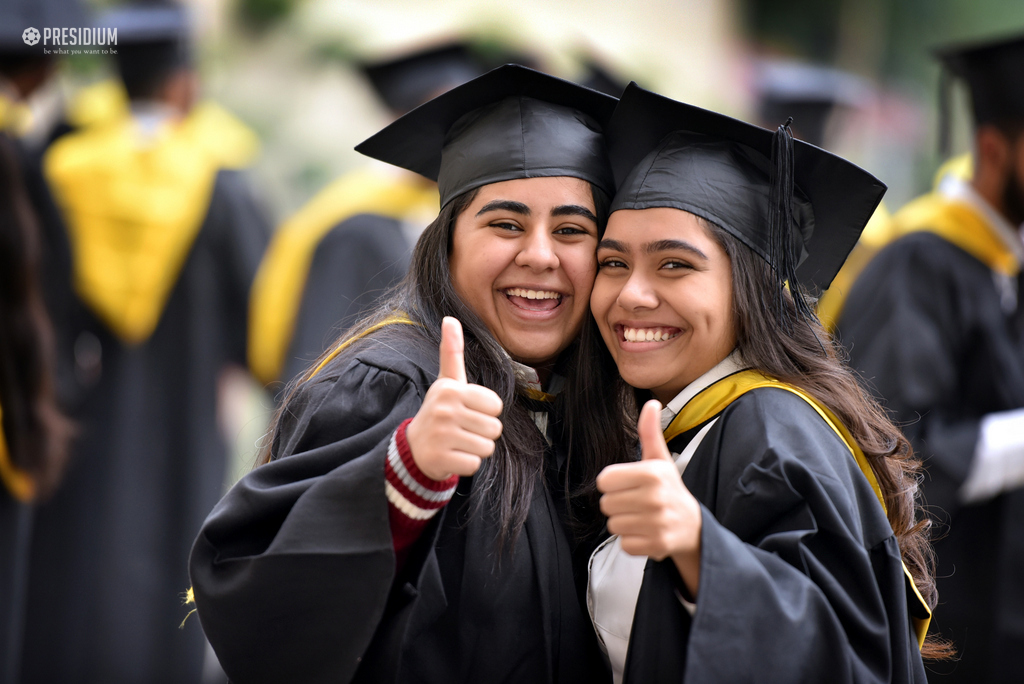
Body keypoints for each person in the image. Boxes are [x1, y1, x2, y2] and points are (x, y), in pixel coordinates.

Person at [189, 64, 629, 683]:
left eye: (571, 230)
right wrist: (405, 472)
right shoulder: (393, 388)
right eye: (505, 223)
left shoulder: (578, 399)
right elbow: (265, 621)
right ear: (446, 240)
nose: (539, 254)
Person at [582, 83, 943, 683]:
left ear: (750, 286)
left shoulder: (772, 437)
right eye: (613, 263)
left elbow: (847, 662)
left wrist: (703, 553)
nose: (631, 295)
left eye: (675, 264)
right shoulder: (696, 421)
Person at [18, 4, 271, 683]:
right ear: (183, 86)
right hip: (185, 414)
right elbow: (262, 314)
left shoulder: (60, 164)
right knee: (169, 548)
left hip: (78, 403)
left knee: (73, 546)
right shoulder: (223, 178)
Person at [835, 34, 1024, 683]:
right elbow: (896, 453)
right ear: (996, 150)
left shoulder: (1009, 267)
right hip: (932, 629)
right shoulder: (916, 264)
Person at [248, 42, 485, 388]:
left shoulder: (430, 211)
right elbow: (319, 362)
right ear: (407, 127)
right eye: (450, 124)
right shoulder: (357, 227)